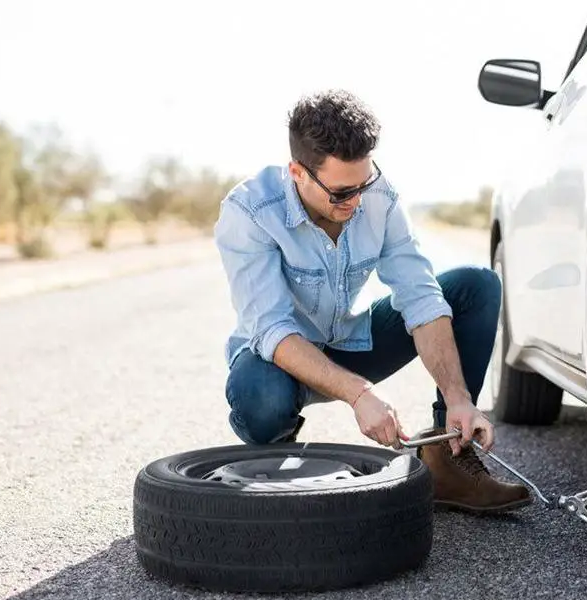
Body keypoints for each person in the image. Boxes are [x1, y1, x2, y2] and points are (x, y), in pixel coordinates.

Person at [213, 89, 531, 514]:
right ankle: (275, 460)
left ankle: (447, 459)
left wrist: (458, 396)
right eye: (343, 192)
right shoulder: (250, 211)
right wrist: (359, 395)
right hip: (279, 361)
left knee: (476, 285)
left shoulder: (379, 197)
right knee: (261, 398)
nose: (357, 201)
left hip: (350, 340)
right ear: (298, 172)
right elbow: (272, 330)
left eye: (363, 184)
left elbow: (420, 297)